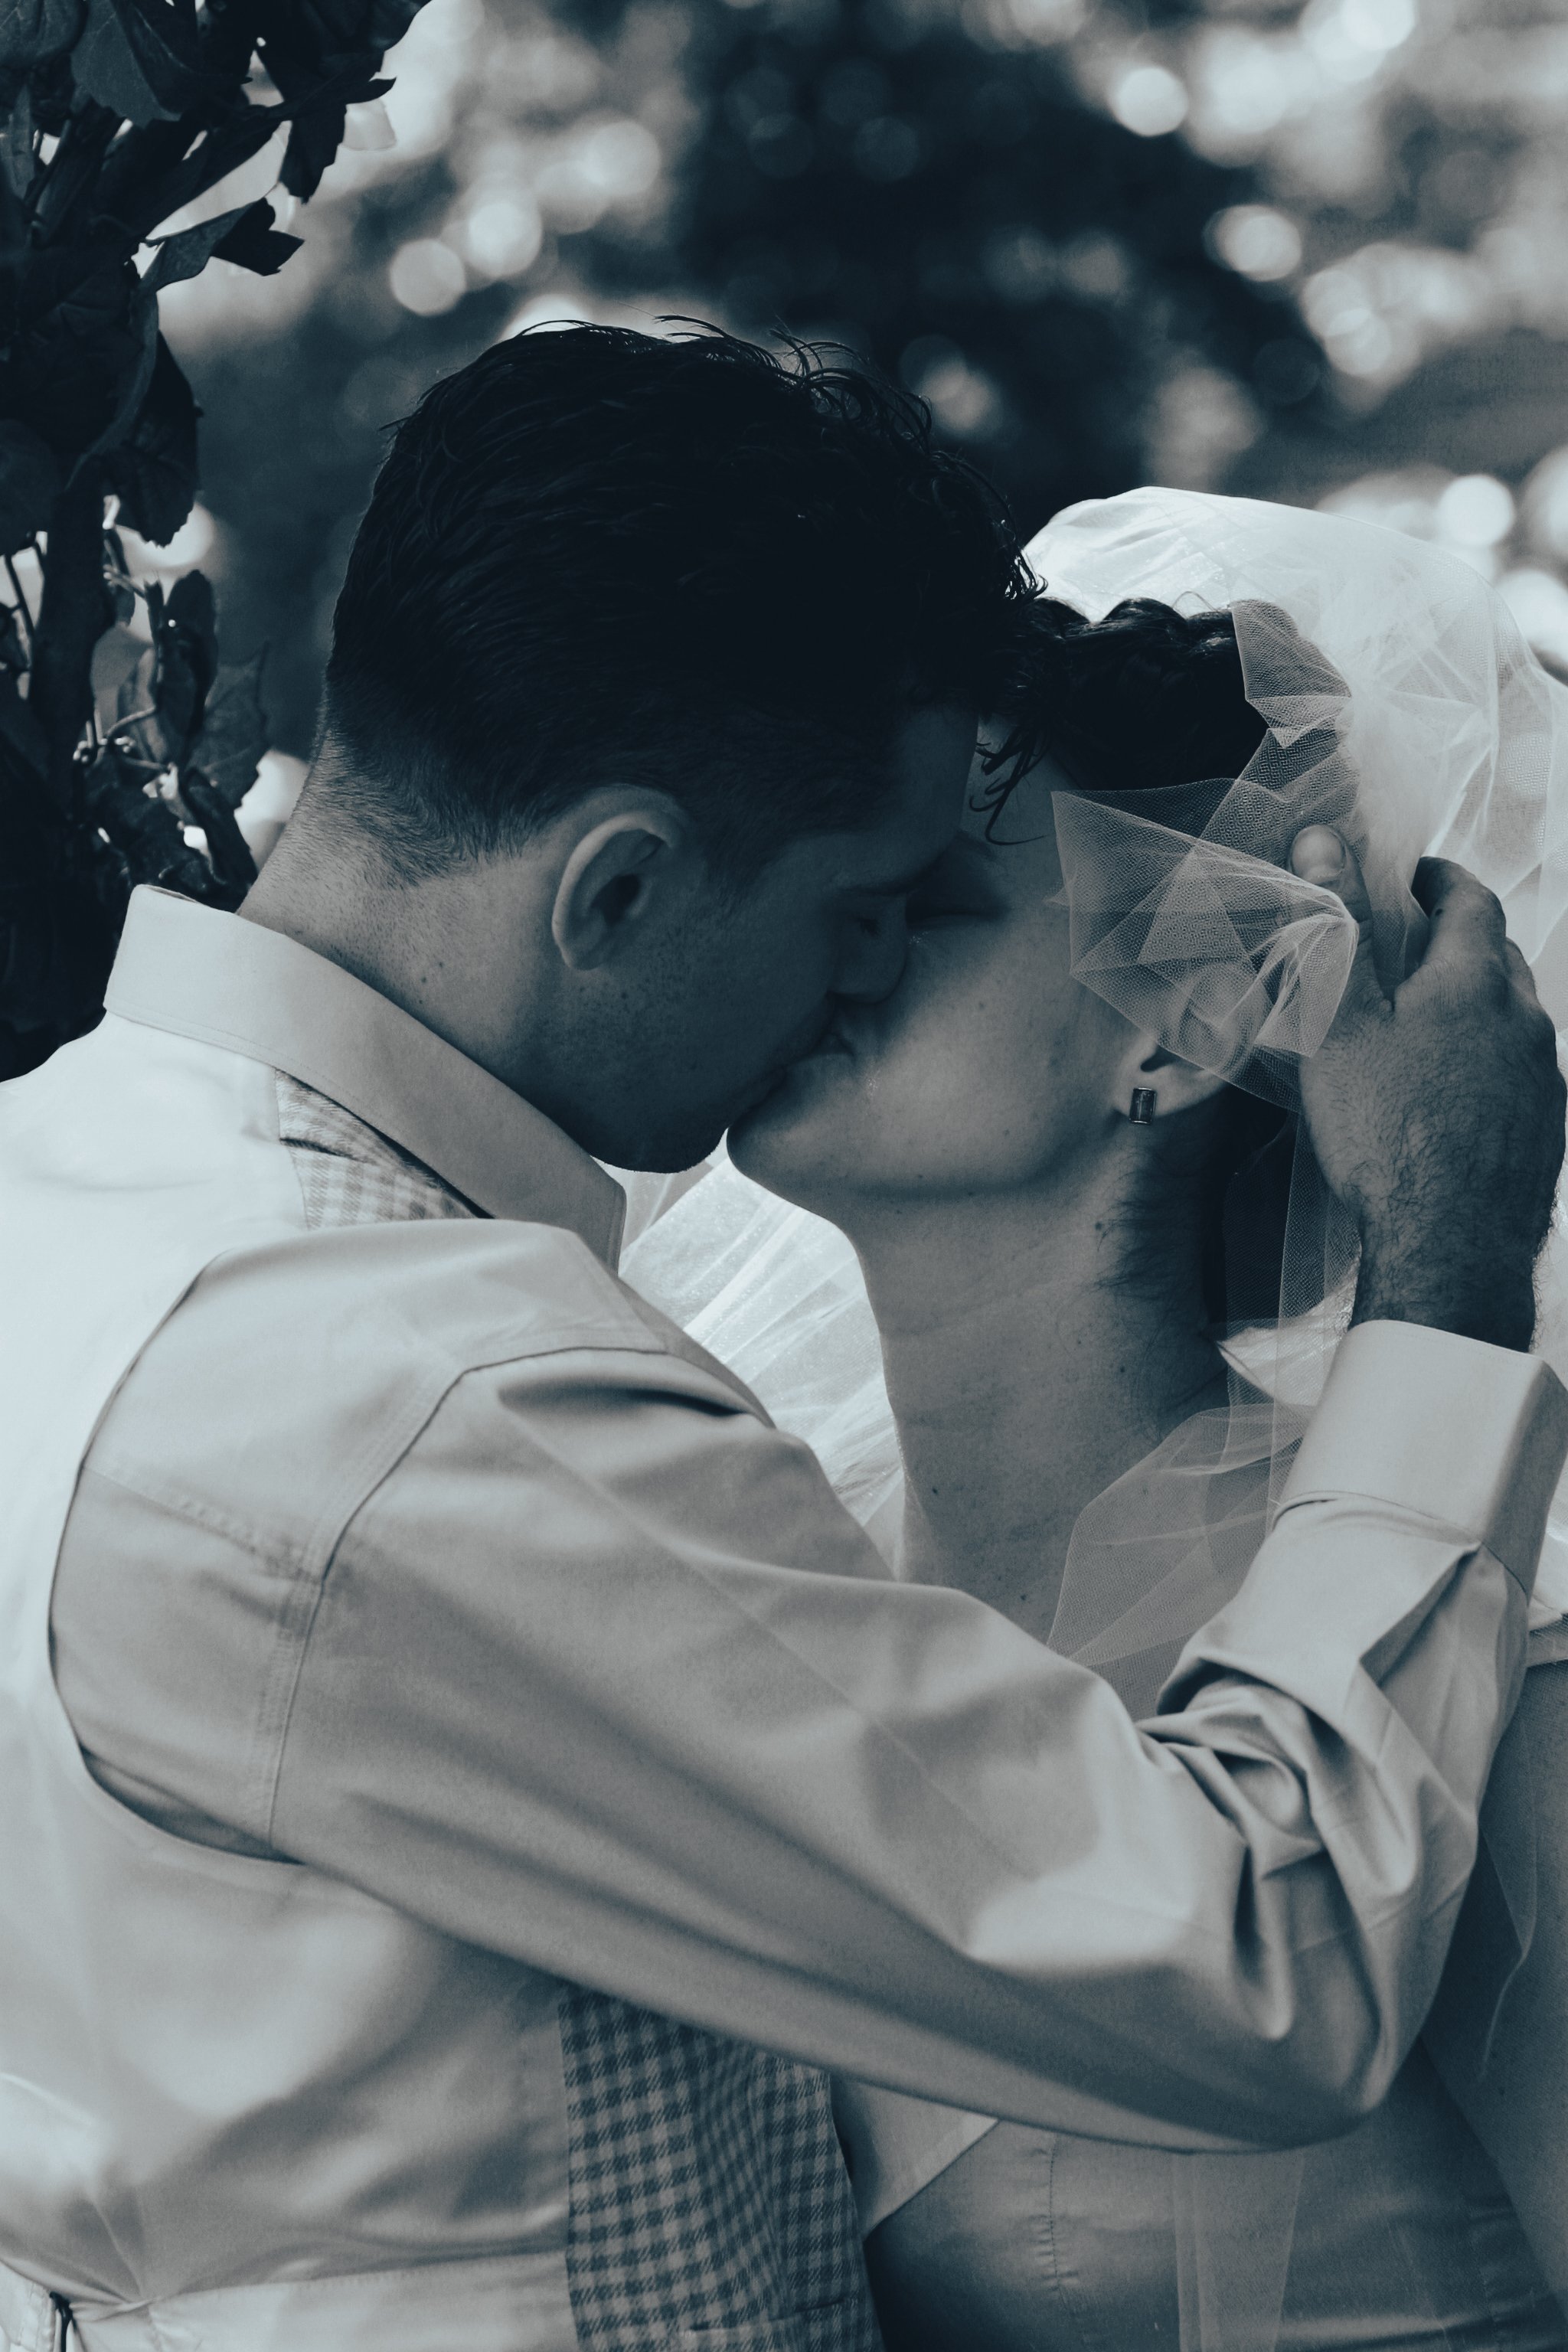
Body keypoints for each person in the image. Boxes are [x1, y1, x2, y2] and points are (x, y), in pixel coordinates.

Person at [0, 340, 1564, 2352]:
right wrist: (1448, 1270)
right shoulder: (423, 1394)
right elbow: (1258, 1953)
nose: (864, 965)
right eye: (865, 898)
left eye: (933, 904)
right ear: (619, 887)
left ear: (1191, 1025)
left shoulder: (72, 1199)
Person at [624, 486, 1568, 2350]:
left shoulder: (1465, 1670)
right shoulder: (761, 1600)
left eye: (926, 905)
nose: (830, 943)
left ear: (1185, 1018)